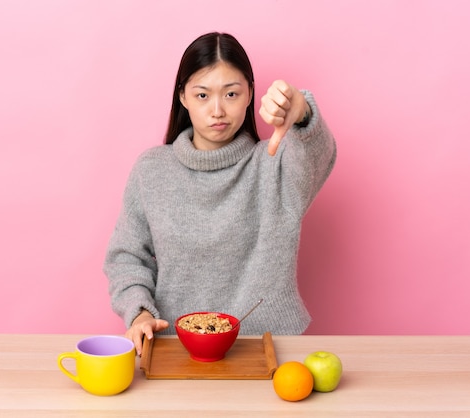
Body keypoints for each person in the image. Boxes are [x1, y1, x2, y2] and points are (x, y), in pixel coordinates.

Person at [103, 32, 337, 355]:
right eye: (202, 95)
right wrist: (139, 310)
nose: (217, 110)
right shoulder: (151, 171)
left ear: (249, 94)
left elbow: (318, 156)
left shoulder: (273, 164)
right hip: (176, 348)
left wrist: (302, 112)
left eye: (230, 94)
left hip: (268, 349)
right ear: (183, 96)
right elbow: (127, 257)